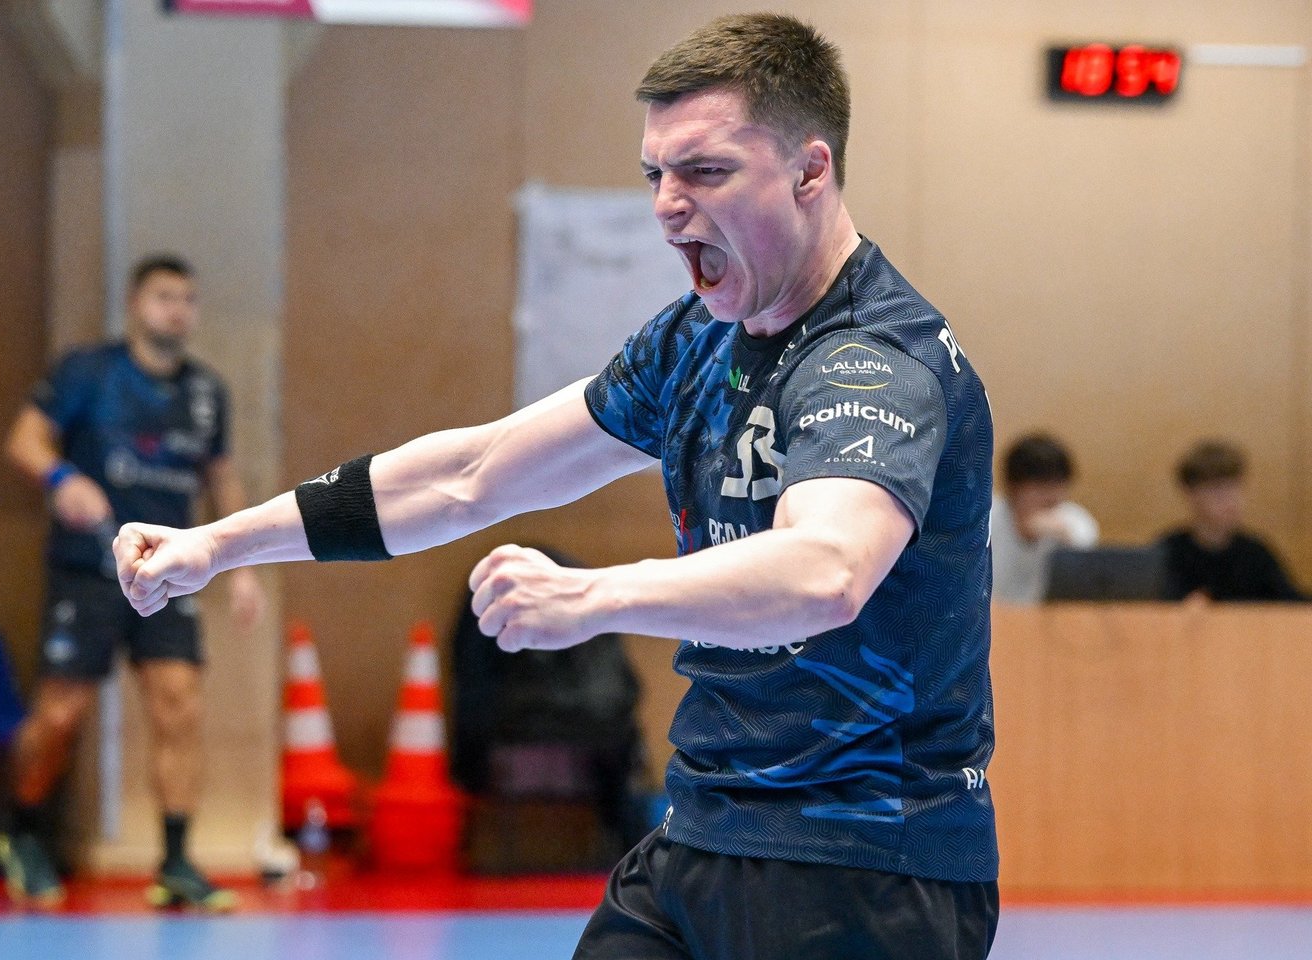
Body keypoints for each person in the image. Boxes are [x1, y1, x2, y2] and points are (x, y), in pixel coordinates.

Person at [116, 14, 997, 958]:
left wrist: (591, 596)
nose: (669, 206)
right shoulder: (694, 342)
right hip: (705, 836)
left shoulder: (874, 361)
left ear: (810, 172)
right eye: (655, 174)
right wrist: (221, 542)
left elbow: (826, 571)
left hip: (870, 868)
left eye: (706, 172)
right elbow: (469, 474)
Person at [0, 254, 266, 910]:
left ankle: (175, 861)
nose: (177, 310)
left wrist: (243, 564)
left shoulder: (206, 393)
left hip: (167, 574)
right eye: (164, 297)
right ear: (135, 305)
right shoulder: (87, 372)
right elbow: (25, 440)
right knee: (61, 714)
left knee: (180, 705)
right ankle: (24, 834)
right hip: (89, 569)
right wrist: (62, 478)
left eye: (188, 299)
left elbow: (221, 477)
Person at [1159, 439, 1303, 602]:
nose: (1231, 500)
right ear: (1191, 494)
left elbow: (1294, 604)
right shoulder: (1167, 553)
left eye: (1235, 488)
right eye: (1218, 489)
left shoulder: (1255, 554)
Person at [988, 432, 1099, 603]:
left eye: (1058, 485)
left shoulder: (1075, 520)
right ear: (1013, 487)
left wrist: (1065, 536)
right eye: (1041, 486)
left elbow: (1092, 575)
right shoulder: (984, 521)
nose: (1052, 496)